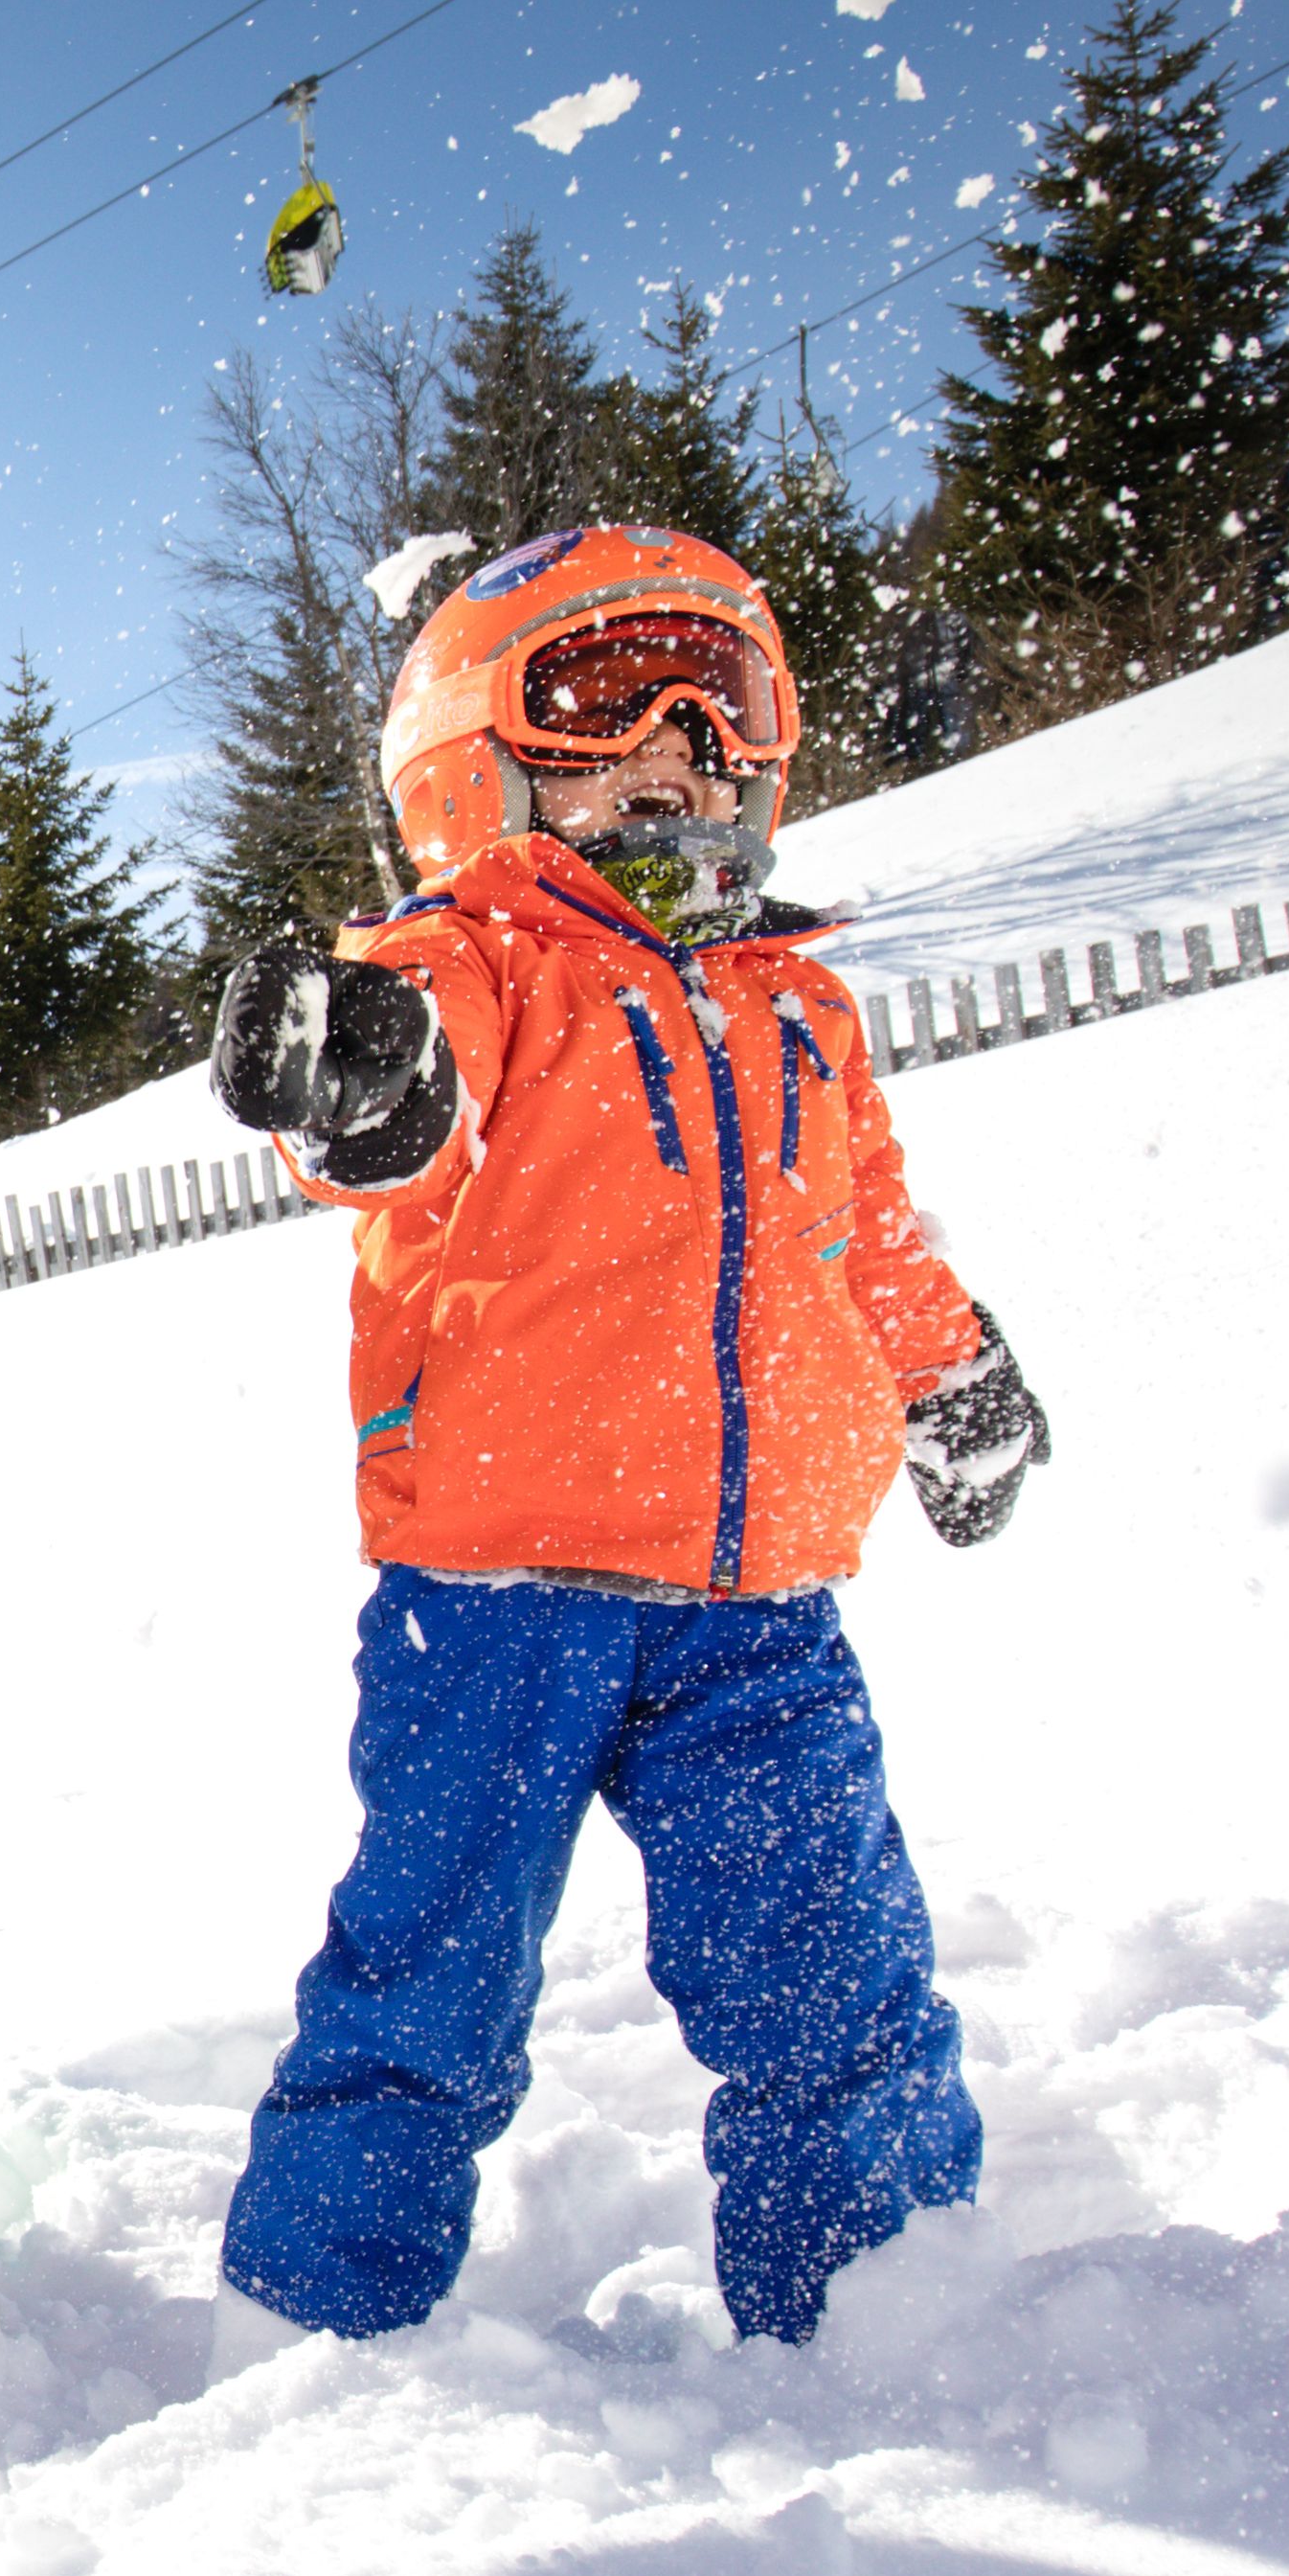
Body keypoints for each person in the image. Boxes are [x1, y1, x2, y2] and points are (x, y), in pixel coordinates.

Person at [200, 523, 1051, 2366]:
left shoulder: (800, 1001)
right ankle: (312, 2340)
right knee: (430, 1985)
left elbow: (863, 1226)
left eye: (713, 704)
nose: (674, 746)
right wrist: (360, 1069)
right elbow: (400, 1100)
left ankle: (887, 2320)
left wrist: (952, 1369)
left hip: (759, 1609)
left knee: (837, 1976)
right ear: (476, 759)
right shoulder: (477, 957)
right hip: (498, 1601)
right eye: (602, 702)